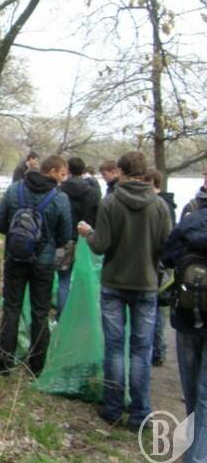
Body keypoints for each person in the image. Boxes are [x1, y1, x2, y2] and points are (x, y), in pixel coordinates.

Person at [77, 151, 171, 430]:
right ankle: (140, 412)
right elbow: (168, 248)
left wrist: (87, 233)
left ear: (120, 171)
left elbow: (100, 246)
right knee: (142, 350)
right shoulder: (160, 206)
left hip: (114, 283)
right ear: (144, 172)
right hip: (146, 284)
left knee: (115, 348)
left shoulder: (110, 202)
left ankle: (114, 408)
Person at [0, 155, 71, 375]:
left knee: (11, 308)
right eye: (62, 174)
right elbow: (65, 237)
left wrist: (16, 236)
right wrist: (47, 242)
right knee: (40, 312)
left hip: (15, 258)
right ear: (52, 171)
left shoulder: (14, 190)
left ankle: (3, 362)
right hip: (43, 263)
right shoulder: (60, 198)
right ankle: (37, 365)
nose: (63, 179)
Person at [161, 198, 207, 463]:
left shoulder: (191, 221)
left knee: (191, 390)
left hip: (187, 315)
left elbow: (166, 257)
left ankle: (193, 449)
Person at [56, 157, 100, 318]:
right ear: (83, 170)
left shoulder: (60, 190)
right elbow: (97, 215)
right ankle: (84, 314)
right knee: (85, 278)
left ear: (68, 169)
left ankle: (62, 317)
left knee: (64, 279)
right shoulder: (93, 191)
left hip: (65, 238)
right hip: (86, 238)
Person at [143, 168, 176, 366]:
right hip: (157, 261)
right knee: (154, 307)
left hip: (156, 262)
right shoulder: (165, 204)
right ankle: (157, 349)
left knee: (154, 307)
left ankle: (157, 349)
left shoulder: (160, 204)